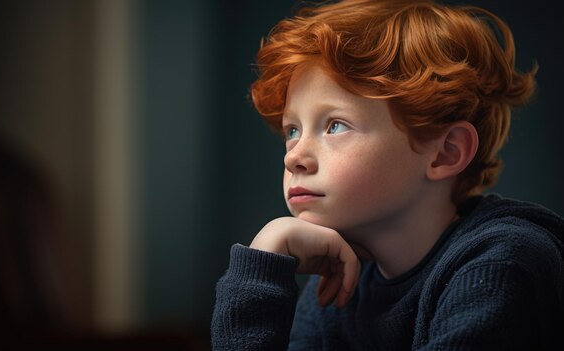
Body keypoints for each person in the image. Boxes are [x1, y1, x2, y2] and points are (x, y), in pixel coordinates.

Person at [211, 0, 564, 349]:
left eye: (335, 125)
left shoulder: (502, 265)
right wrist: (263, 259)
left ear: (446, 152)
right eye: (292, 131)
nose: (295, 158)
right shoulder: (343, 279)